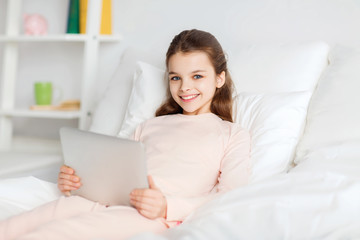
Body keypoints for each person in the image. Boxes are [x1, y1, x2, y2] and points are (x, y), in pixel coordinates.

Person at [0, 29, 251, 240]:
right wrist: (75, 182)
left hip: (149, 214)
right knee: (18, 225)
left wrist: (167, 206)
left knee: (54, 233)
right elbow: (113, 174)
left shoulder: (231, 134)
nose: (185, 87)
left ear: (219, 78)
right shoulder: (151, 125)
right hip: (105, 201)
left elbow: (230, 197)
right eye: (176, 78)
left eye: (197, 76)